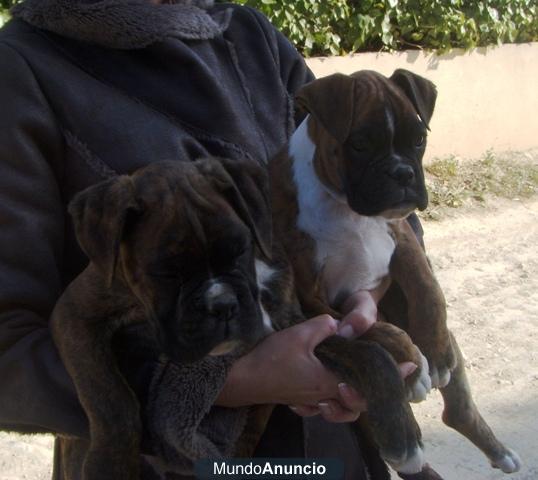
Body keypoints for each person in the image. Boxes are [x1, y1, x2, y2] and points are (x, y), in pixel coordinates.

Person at [0, 1, 418, 479]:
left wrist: (366, 291)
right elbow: (9, 349)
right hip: (160, 461)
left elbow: (359, 186)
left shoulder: (250, 34)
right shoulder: (20, 69)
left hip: (323, 448)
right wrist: (224, 383)